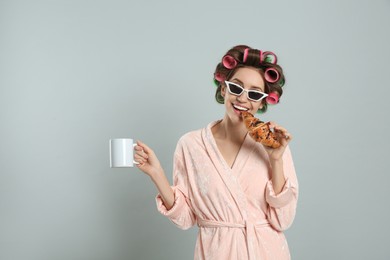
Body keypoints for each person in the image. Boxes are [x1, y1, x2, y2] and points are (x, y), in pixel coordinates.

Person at [134, 45, 298, 260]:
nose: (243, 99)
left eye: (254, 93)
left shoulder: (273, 143)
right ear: (223, 89)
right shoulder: (191, 145)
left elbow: (283, 220)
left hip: (267, 252)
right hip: (217, 252)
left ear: (261, 101)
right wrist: (157, 174)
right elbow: (185, 218)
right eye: (236, 88)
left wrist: (275, 159)